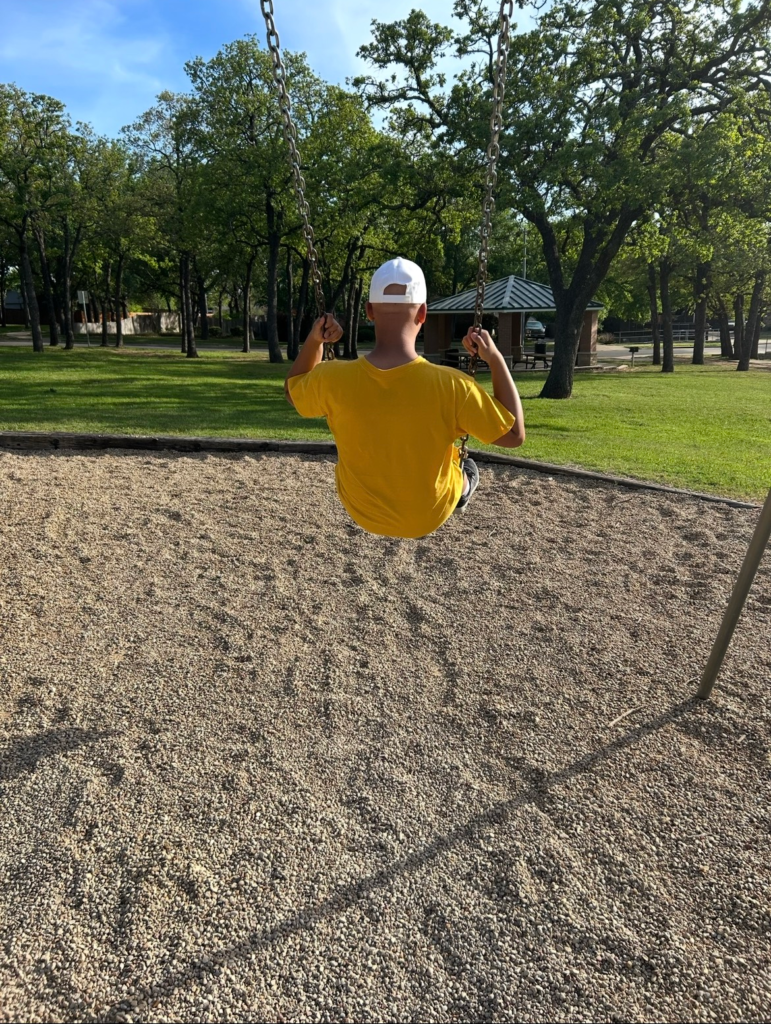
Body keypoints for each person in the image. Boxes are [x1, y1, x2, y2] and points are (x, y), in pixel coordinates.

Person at [285, 257, 525, 539]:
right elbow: (514, 435)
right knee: (458, 464)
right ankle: (464, 486)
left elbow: (292, 391)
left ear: (369, 311)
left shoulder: (332, 378)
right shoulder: (454, 385)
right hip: (429, 513)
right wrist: (495, 359)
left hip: (362, 510)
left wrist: (316, 340)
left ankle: (460, 480)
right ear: (423, 313)